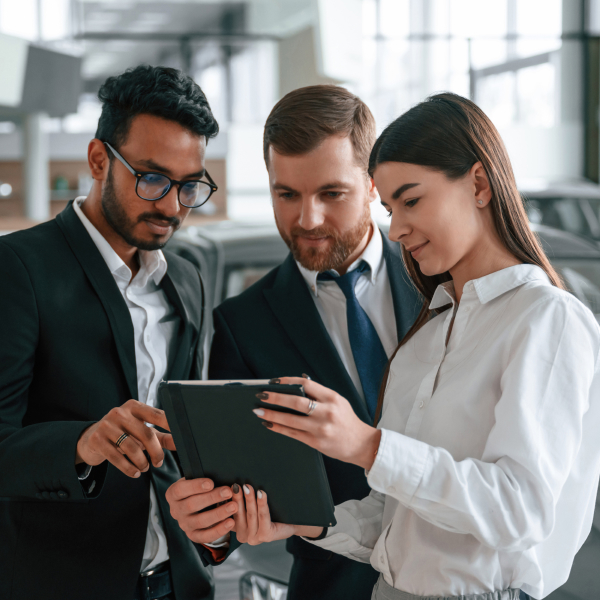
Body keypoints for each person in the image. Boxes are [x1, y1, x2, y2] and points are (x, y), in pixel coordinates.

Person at [227, 93, 600, 600]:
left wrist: (365, 445)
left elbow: (521, 511)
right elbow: (397, 519)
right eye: (389, 208)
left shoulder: (547, 319)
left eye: (412, 200)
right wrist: (302, 524)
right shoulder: (428, 334)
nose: (397, 228)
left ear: (479, 184)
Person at [165, 85, 421, 599]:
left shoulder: (441, 285)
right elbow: (234, 501)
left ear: (373, 185)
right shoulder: (242, 323)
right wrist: (210, 525)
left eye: (331, 193)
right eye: (287, 195)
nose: (307, 219)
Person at [0, 65, 224, 600]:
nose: (171, 206)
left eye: (188, 185)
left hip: (177, 580)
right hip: (65, 582)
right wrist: (81, 443)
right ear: (99, 160)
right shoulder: (19, 269)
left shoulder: (186, 279)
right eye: (152, 178)